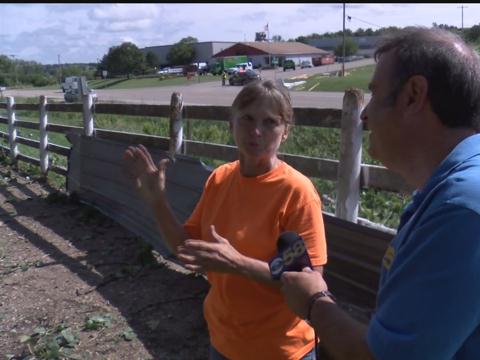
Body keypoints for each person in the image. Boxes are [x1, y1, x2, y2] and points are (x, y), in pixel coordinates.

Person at [280, 27, 480, 359]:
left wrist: (314, 303)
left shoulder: (464, 214)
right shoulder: (465, 192)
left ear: (413, 95)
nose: (365, 114)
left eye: (375, 92)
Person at [123, 80, 327, 360]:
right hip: (223, 342)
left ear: (286, 132)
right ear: (231, 123)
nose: (256, 131)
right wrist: (157, 202)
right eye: (247, 119)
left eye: (270, 122)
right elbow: (187, 250)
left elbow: (307, 284)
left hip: (281, 350)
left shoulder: (297, 193)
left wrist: (237, 263)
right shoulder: (220, 179)